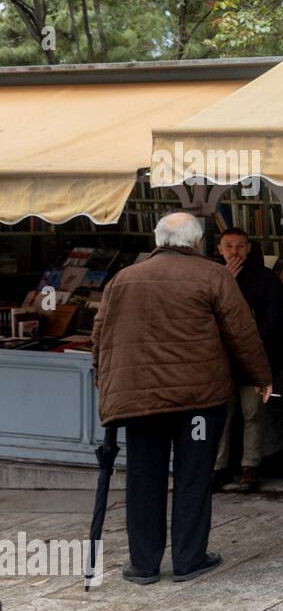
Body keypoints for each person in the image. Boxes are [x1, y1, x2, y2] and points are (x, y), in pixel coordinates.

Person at [92, 212, 272, 584]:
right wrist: (261, 377)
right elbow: (242, 332)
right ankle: (189, 559)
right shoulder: (213, 275)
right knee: (192, 477)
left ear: (158, 239)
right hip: (199, 401)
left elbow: (100, 337)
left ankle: (144, 564)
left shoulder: (124, 278)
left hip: (142, 401)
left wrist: (105, 383)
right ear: (197, 241)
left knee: (143, 477)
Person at [213, 227, 283, 492]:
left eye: (240, 246)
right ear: (219, 249)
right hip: (220, 361)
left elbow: (274, 323)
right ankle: (218, 468)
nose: (235, 252)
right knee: (221, 415)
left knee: (253, 413)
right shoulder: (213, 278)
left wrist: (257, 351)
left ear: (249, 248)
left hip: (255, 359)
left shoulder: (267, 280)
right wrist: (227, 283)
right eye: (229, 246)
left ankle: (250, 466)